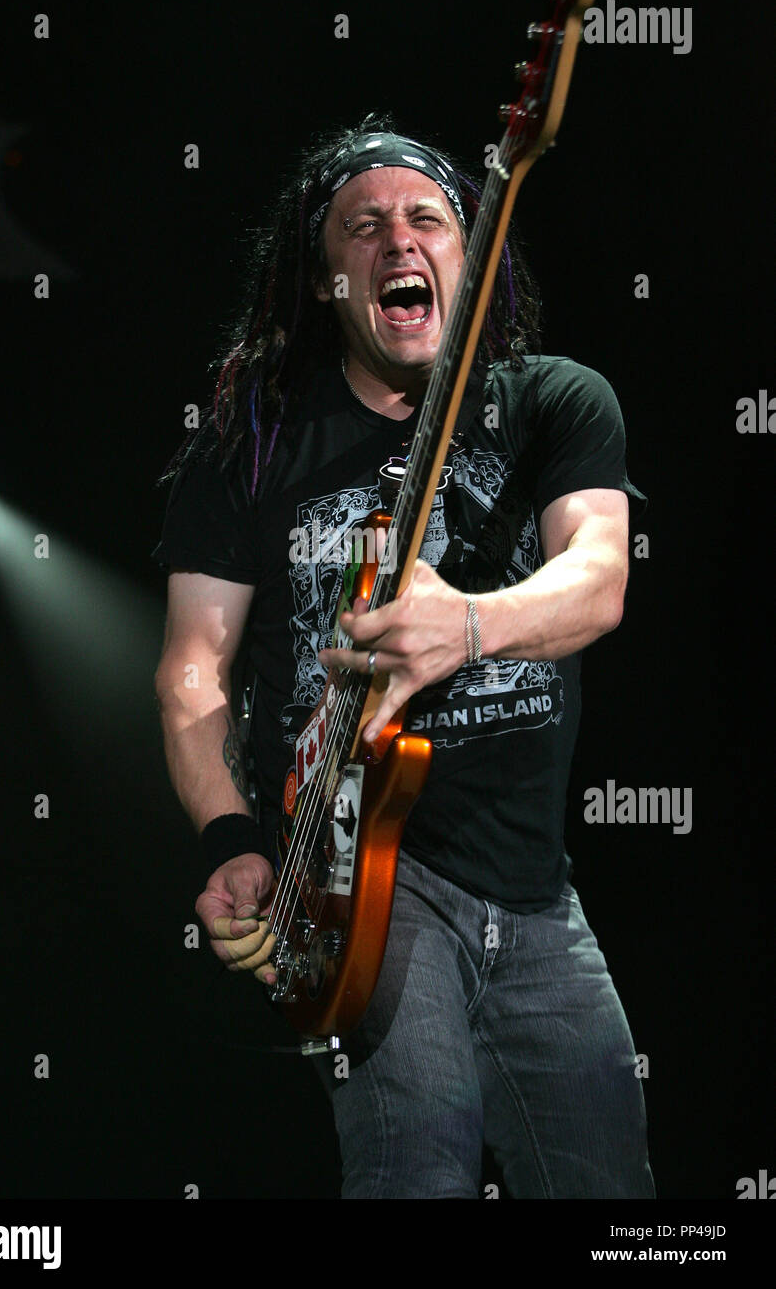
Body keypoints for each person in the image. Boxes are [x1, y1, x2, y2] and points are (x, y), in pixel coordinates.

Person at [152, 113, 655, 1199]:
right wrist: (228, 836)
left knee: (612, 1194)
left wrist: (465, 626)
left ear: (468, 260)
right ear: (323, 274)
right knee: (414, 1164)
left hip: (532, 888)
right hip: (357, 876)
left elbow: (597, 578)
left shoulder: (553, 402)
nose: (398, 242)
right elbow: (193, 664)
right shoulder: (254, 441)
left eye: (427, 219)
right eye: (362, 227)